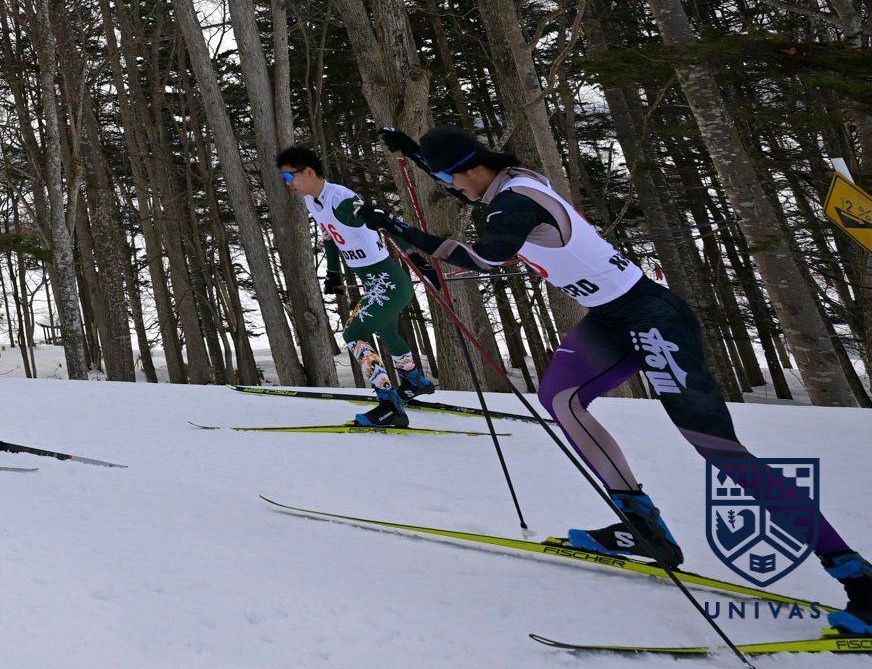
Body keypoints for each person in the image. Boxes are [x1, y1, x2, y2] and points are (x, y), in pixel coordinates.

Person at [360, 124, 871, 635]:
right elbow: (467, 185)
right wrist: (417, 155)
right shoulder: (509, 182)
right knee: (560, 398)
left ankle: (855, 575)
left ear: (472, 168)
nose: (451, 188)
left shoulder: (512, 203)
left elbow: (484, 259)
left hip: (653, 319)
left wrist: (400, 229)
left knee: (720, 450)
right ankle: (642, 525)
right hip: (611, 317)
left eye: (451, 178)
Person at [274, 144, 436, 429]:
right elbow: (329, 235)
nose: (287, 183)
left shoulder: (341, 199)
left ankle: (390, 405)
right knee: (387, 332)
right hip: (374, 281)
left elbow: (382, 221)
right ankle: (414, 382)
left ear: (308, 172)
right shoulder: (313, 201)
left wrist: (414, 257)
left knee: (353, 333)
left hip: (389, 282)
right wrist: (333, 272)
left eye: (289, 176)